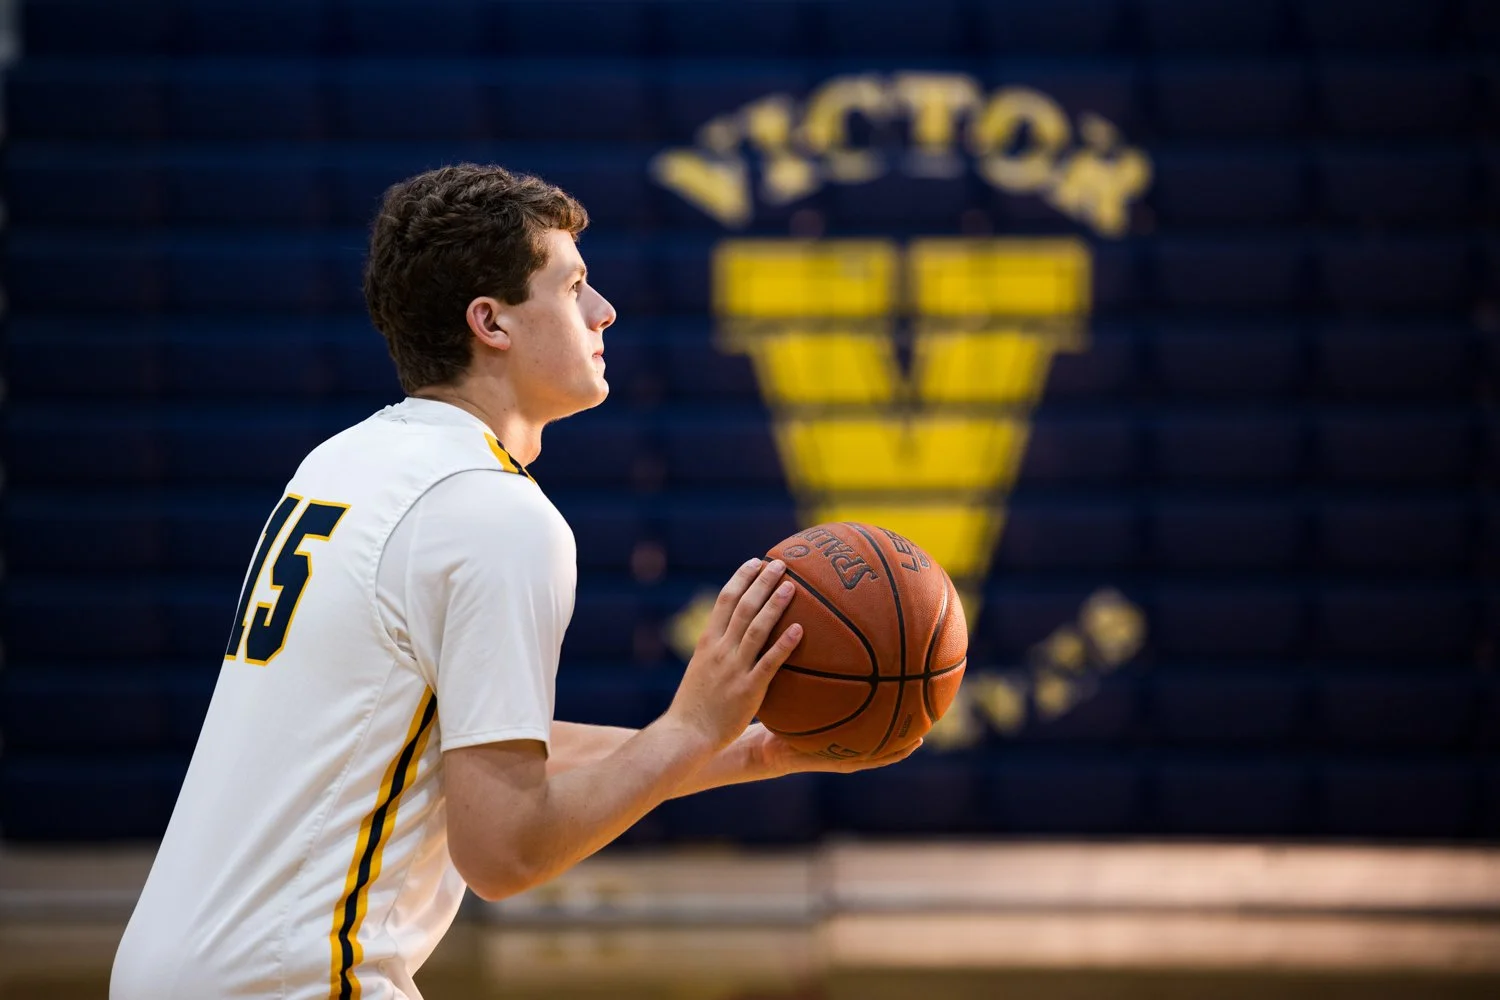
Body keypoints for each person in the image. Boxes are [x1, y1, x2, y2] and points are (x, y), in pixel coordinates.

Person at [110, 164, 921, 1000]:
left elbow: (477, 748)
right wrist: (687, 728)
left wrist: (742, 749)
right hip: (291, 981)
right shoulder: (493, 515)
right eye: (572, 287)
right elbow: (504, 851)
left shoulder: (347, 462)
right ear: (490, 321)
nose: (604, 310)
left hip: (170, 969)